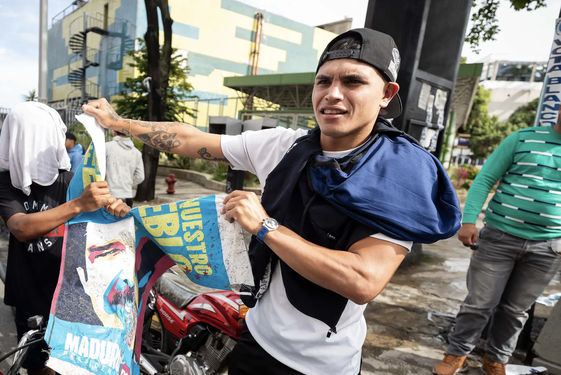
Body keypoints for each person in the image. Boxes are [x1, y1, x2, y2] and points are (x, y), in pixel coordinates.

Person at [83, 28, 460, 375]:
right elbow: (191, 140)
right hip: (255, 338)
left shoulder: (399, 175)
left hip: (322, 364)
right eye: (323, 81)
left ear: (386, 95)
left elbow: (363, 279)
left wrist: (264, 226)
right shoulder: (286, 146)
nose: (333, 93)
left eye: (353, 81)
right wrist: (120, 124)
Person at [0, 102, 130, 375]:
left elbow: (99, 230)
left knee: (68, 364)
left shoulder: (72, 180)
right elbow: (20, 227)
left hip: (69, 292)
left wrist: (117, 211)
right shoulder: (2, 182)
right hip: (29, 292)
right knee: (38, 367)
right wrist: (78, 204)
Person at [432, 122, 561, 375]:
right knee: (479, 303)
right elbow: (485, 179)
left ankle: (496, 360)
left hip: (548, 248)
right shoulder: (522, 139)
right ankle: (456, 355)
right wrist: (469, 220)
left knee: (515, 311)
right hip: (498, 239)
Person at [105, 130, 145, 207]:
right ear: (127, 133)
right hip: (128, 195)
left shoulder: (106, 147)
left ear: (114, 132)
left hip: (110, 195)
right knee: (126, 219)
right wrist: (128, 183)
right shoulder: (136, 152)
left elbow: (99, 170)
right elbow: (140, 177)